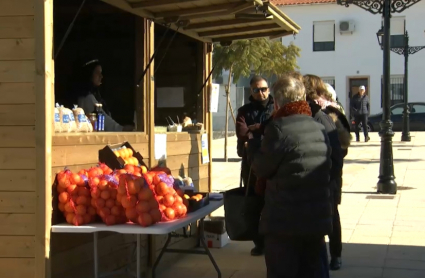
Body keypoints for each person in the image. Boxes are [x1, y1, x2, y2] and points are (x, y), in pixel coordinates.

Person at [248, 75, 333, 277]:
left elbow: (262, 168)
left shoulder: (278, 128)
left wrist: (252, 146)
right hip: (316, 219)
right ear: (302, 98)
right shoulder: (319, 127)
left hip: (285, 222)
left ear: (276, 102)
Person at [304, 74, 351, 271]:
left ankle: (336, 254)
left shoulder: (330, 111)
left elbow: (344, 142)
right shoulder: (307, 111)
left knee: (331, 215)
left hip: (330, 173)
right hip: (321, 173)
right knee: (324, 215)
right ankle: (327, 255)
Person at [235, 75, 274, 256]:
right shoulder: (244, 110)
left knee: (271, 204)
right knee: (253, 204)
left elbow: (274, 127)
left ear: (269, 89)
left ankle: (273, 241)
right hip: (250, 164)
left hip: (273, 163)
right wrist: (260, 129)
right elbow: (242, 132)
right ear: (251, 91)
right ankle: (259, 243)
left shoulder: (276, 107)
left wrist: (255, 129)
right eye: (257, 90)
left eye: (264, 89)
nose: (261, 93)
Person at [67, 59, 134, 132]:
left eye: (101, 73)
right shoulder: (86, 97)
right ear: (89, 74)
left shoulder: (94, 95)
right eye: (97, 73)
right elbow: (103, 119)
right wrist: (121, 129)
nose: (101, 76)